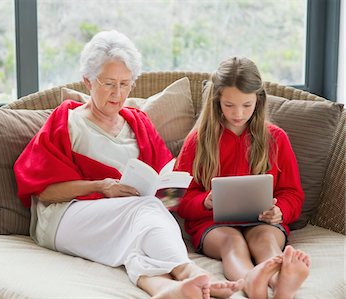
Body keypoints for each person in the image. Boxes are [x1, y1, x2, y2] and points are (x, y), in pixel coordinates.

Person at [14, 30, 244, 299]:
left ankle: (165, 288)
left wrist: (169, 191)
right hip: (66, 217)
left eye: (125, 84)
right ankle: (186, 270)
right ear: (87, 81)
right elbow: (44, 191)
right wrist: (101, 186)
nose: (118, 93)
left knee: (145, 223)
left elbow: (167, 182)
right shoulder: (67, 120)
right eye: (109, 83)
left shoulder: (139, 123)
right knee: (145, 210)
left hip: (127, 217)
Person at [175, 56, 311, 299]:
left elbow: (292, 193)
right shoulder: (198, 140)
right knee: (232, 244)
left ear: (258, 101)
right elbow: (176, 197)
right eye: (229, 105)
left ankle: (281, 282)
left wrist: (281, 212)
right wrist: (204, 201)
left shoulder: (275, 138)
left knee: (266, 241)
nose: (238, 113)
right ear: (216, 101)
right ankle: (252, 282)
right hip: (213, 225)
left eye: (246, 105)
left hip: (263, 222)